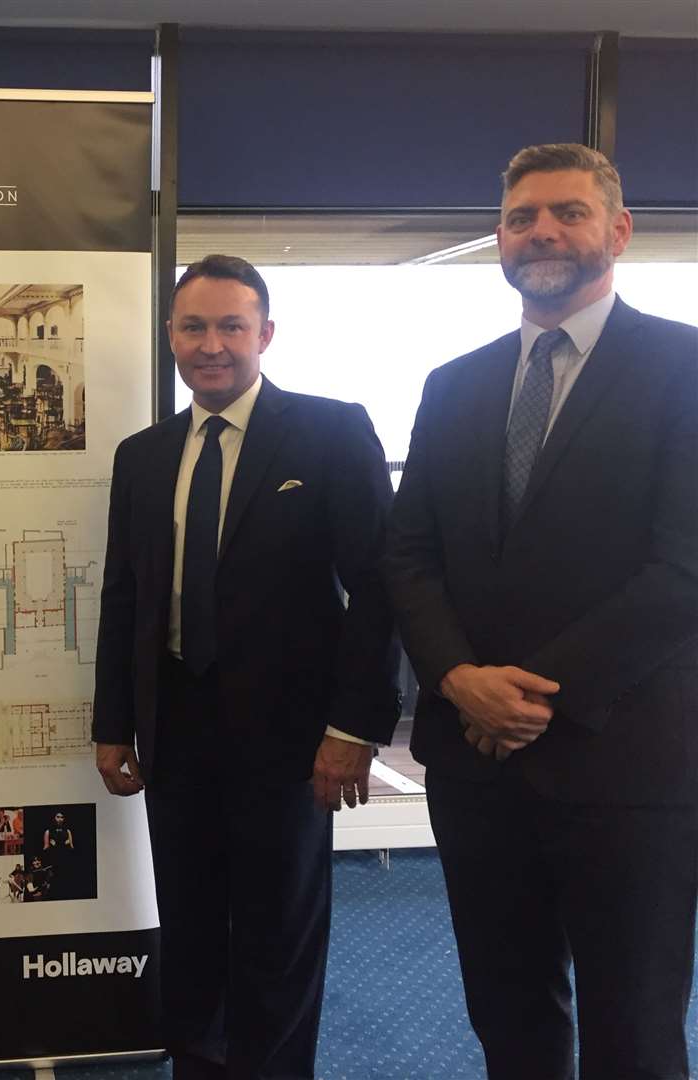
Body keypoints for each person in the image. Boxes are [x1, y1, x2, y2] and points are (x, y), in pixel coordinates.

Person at [384, 143, 698, 1080]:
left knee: (633, 1029)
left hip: (625, 763)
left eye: (566, 211)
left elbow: (683, 568)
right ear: (500, 238)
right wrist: (455, 678)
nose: (543, 232)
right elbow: (408, 553)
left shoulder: (685, 369)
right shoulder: (454, 385)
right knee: (508, 1015)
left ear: (619, 231)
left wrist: (530, 697)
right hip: (477, 773)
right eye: (523, 217)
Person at [93, 255, 399, 1080]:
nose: (213, 344)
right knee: (189, 924)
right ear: (170, 337)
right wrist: (112, 723)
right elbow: (125, 597)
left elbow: (379, 590)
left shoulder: (332, 432)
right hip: (177, 731)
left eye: (232, 325)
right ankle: (196, 1063)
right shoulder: (143, 455)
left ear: (266, 334)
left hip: (295, 742)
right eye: (194, 326)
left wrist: (355, 728)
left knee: (279, 933)